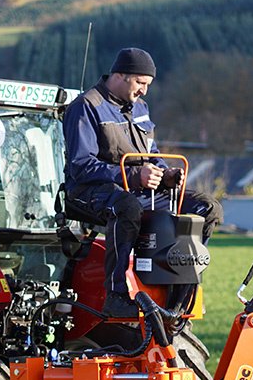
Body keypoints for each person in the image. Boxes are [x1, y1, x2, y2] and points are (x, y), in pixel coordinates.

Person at [63, 47, 222, 318]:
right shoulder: (86, 107)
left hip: (138, 190)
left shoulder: (140, 107)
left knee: (207, 207)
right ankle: (116, 295)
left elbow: (151, 151)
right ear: (121, 75)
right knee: (126, 207)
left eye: (148, 85)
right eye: (141, 83)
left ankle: (180, 292)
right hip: (90, 192)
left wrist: (165, 174)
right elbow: (81, 165)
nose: (144, 91)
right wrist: (134, 177)